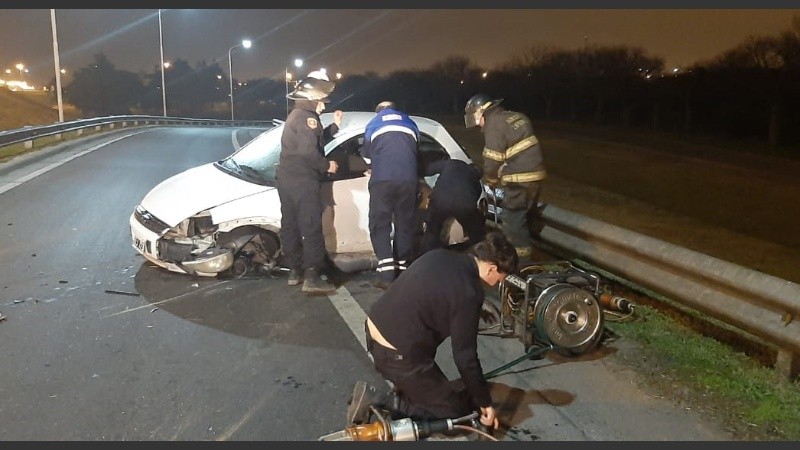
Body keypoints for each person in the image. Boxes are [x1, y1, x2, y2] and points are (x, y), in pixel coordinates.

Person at [348, 231, 518, 432]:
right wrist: (485, 403)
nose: (497, 284)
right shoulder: (469, 293)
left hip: (374, 331)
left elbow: (440, 289)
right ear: (491, 268)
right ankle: (381, 401)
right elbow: (465, 358)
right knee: (455, 412)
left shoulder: (441, 255)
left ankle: (410, 389)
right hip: (397, 356)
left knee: (441, 390)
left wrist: (476, 312)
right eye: (500, 279)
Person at [277, 71, 342, 296]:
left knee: (290, 225)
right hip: (304, 181)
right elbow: (308, 151)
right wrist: (327, 166)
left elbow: (312, 141)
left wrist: (334, 128)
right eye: (322, 102)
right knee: (311, 227)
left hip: (286, 179)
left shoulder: (295, 115)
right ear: (313, 99)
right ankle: (313, 277)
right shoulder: (308, 118)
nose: (323, 107)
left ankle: (295, 271)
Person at [464, 94, 546, 267]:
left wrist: (491, 180)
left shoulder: (494, 126)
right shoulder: (516, 116)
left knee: (512, 223)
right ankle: (531, 256)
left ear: (481, 112)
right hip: (535, 177)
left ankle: (521, 265)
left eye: (477, 119)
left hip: (518, 181)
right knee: (524, 218)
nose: (478, 125)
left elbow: (492, 160)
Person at [359, 101, 420, 290]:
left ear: (378, 111)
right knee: (404, 223)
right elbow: (414, 151)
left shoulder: (374, 123)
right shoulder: (411, 123)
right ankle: (402, 269)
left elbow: (367, 157)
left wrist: (376, 164)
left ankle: (386, 275)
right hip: (408, 181)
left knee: (380, 224)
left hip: (382, 181)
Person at [419, 159, 486, 256]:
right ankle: (478, 255)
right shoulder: (476, 183)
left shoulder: (453, 163)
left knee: (432, 230)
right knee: (476, 231)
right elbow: (474, 199)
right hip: (463, 205)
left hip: (440, 200)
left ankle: (426, 256)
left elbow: (430, 169)